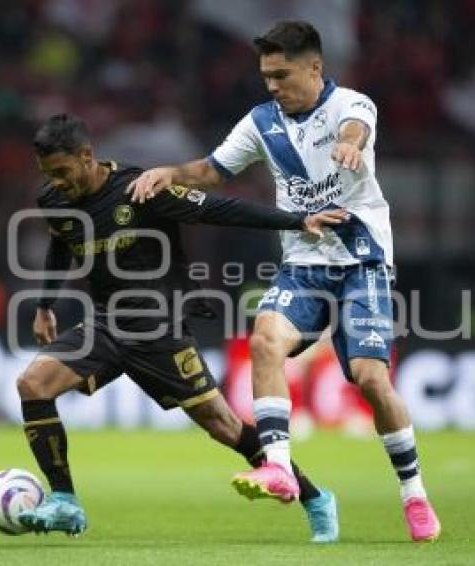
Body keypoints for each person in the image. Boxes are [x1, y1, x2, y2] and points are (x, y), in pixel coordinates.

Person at [128, 21, 441, 542]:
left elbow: (355, 130)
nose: (272, 85)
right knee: (264, 339)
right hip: (303, 263)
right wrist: (169, 173)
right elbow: (212, 170)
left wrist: (348, 145)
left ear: (314, 67)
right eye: (266, 75)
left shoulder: (353, 105)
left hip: (362, 260)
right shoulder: (261, 122)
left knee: (369, 379)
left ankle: (414, 494)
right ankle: (278, 466)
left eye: (282, 74)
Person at [15, 113, 345, 542]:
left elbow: (222, 210)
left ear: (87, 156)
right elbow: (62, 241)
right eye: (48, 174)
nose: (57, 181)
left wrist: (298, 220)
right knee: (33, 384)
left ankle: (316, 497)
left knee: (223, 426)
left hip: (157, 328)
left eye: (62, 171)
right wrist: (45, 303)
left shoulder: (141, 191)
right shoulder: (54, 201)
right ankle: (64, 502)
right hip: (103, 324)